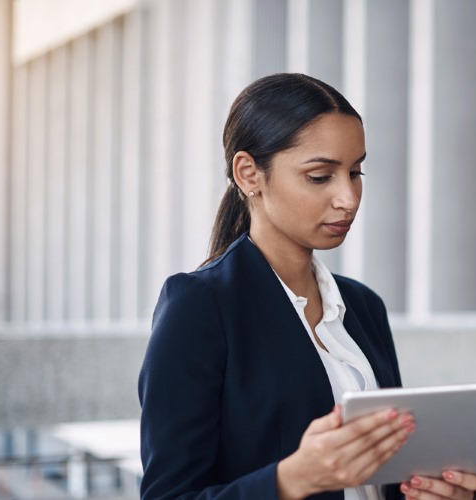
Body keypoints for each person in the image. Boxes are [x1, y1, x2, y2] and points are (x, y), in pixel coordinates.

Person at [139, 73, 418, 500]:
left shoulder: (363, 306)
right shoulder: (199, 307)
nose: (348, 197)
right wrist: (292, 479)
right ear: (249, 174)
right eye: (321, 176)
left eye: (356, 172)